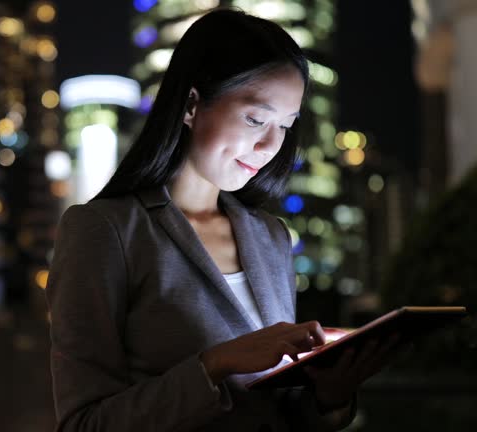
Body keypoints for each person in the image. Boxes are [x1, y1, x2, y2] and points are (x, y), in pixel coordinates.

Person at [45, 8, 397, 432]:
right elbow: (84, 424)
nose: (270, 145)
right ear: (192, 105)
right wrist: (214, 365)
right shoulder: (106, 231)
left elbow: (284, 412)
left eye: (286, 126)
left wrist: (331, 396)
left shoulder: (271, 236)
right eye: (255, 118)